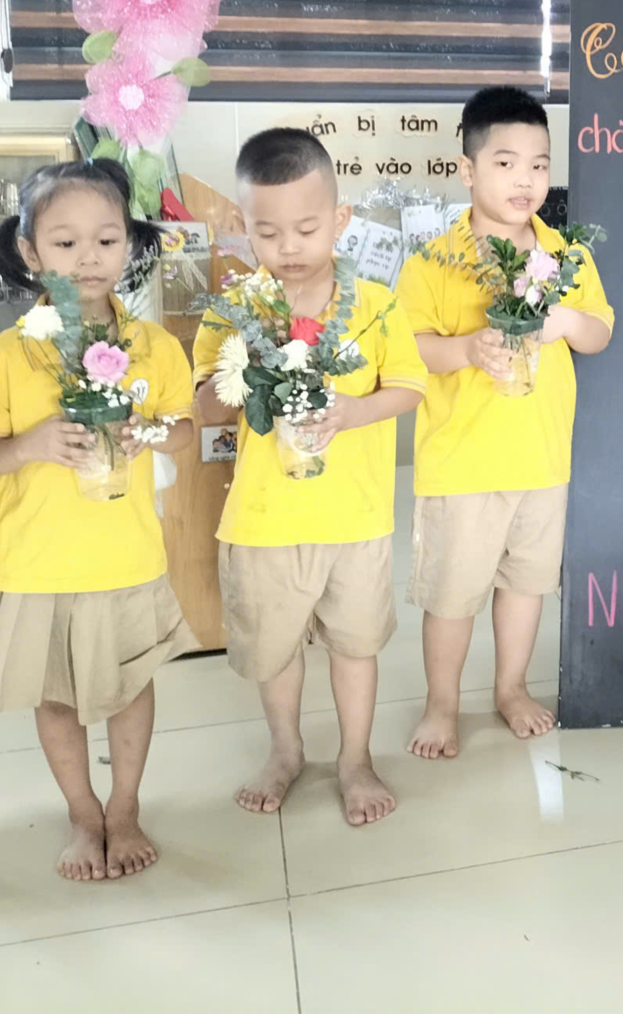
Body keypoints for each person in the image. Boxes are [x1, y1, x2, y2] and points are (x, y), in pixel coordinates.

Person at [0, 160, 196, 881]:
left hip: (125, 555)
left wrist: (147, 432)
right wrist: (29, 446)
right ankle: (81, 812)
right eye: (65, 243)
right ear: (30, 252)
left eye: (106, 239)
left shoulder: (154, 346)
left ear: (129, 244)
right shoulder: (8, 354)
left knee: (129, 686)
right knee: (55, 696)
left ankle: (124, 808)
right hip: (37, 563)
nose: (88, 257)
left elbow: (185, 431)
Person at [192, 129, 427, 826]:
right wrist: (246, 364)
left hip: (355, 518)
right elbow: (205, 404)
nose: (288, 246)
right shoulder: (233, 308)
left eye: (306, 228)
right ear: (244, 228)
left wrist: (354, 411)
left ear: (340, 219)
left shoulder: (376, 303)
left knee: (355, 647)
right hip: (265, 522)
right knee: (274, 650)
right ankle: (286, 749)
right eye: (268, 233)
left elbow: (408, 388)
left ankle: (355, 758)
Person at [396, 86, 612, 759]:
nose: (526, 180)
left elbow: (599, 332)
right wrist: (466, 350)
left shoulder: (565, 257)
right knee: (452, 596)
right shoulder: (432, 263)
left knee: (526, 585)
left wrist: (565, 320)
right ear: (467, 170)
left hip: (542, 460)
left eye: (540, 165)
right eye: (506, 163)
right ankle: (441, 704)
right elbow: (410, 351)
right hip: (461, 464)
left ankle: (511, 688)